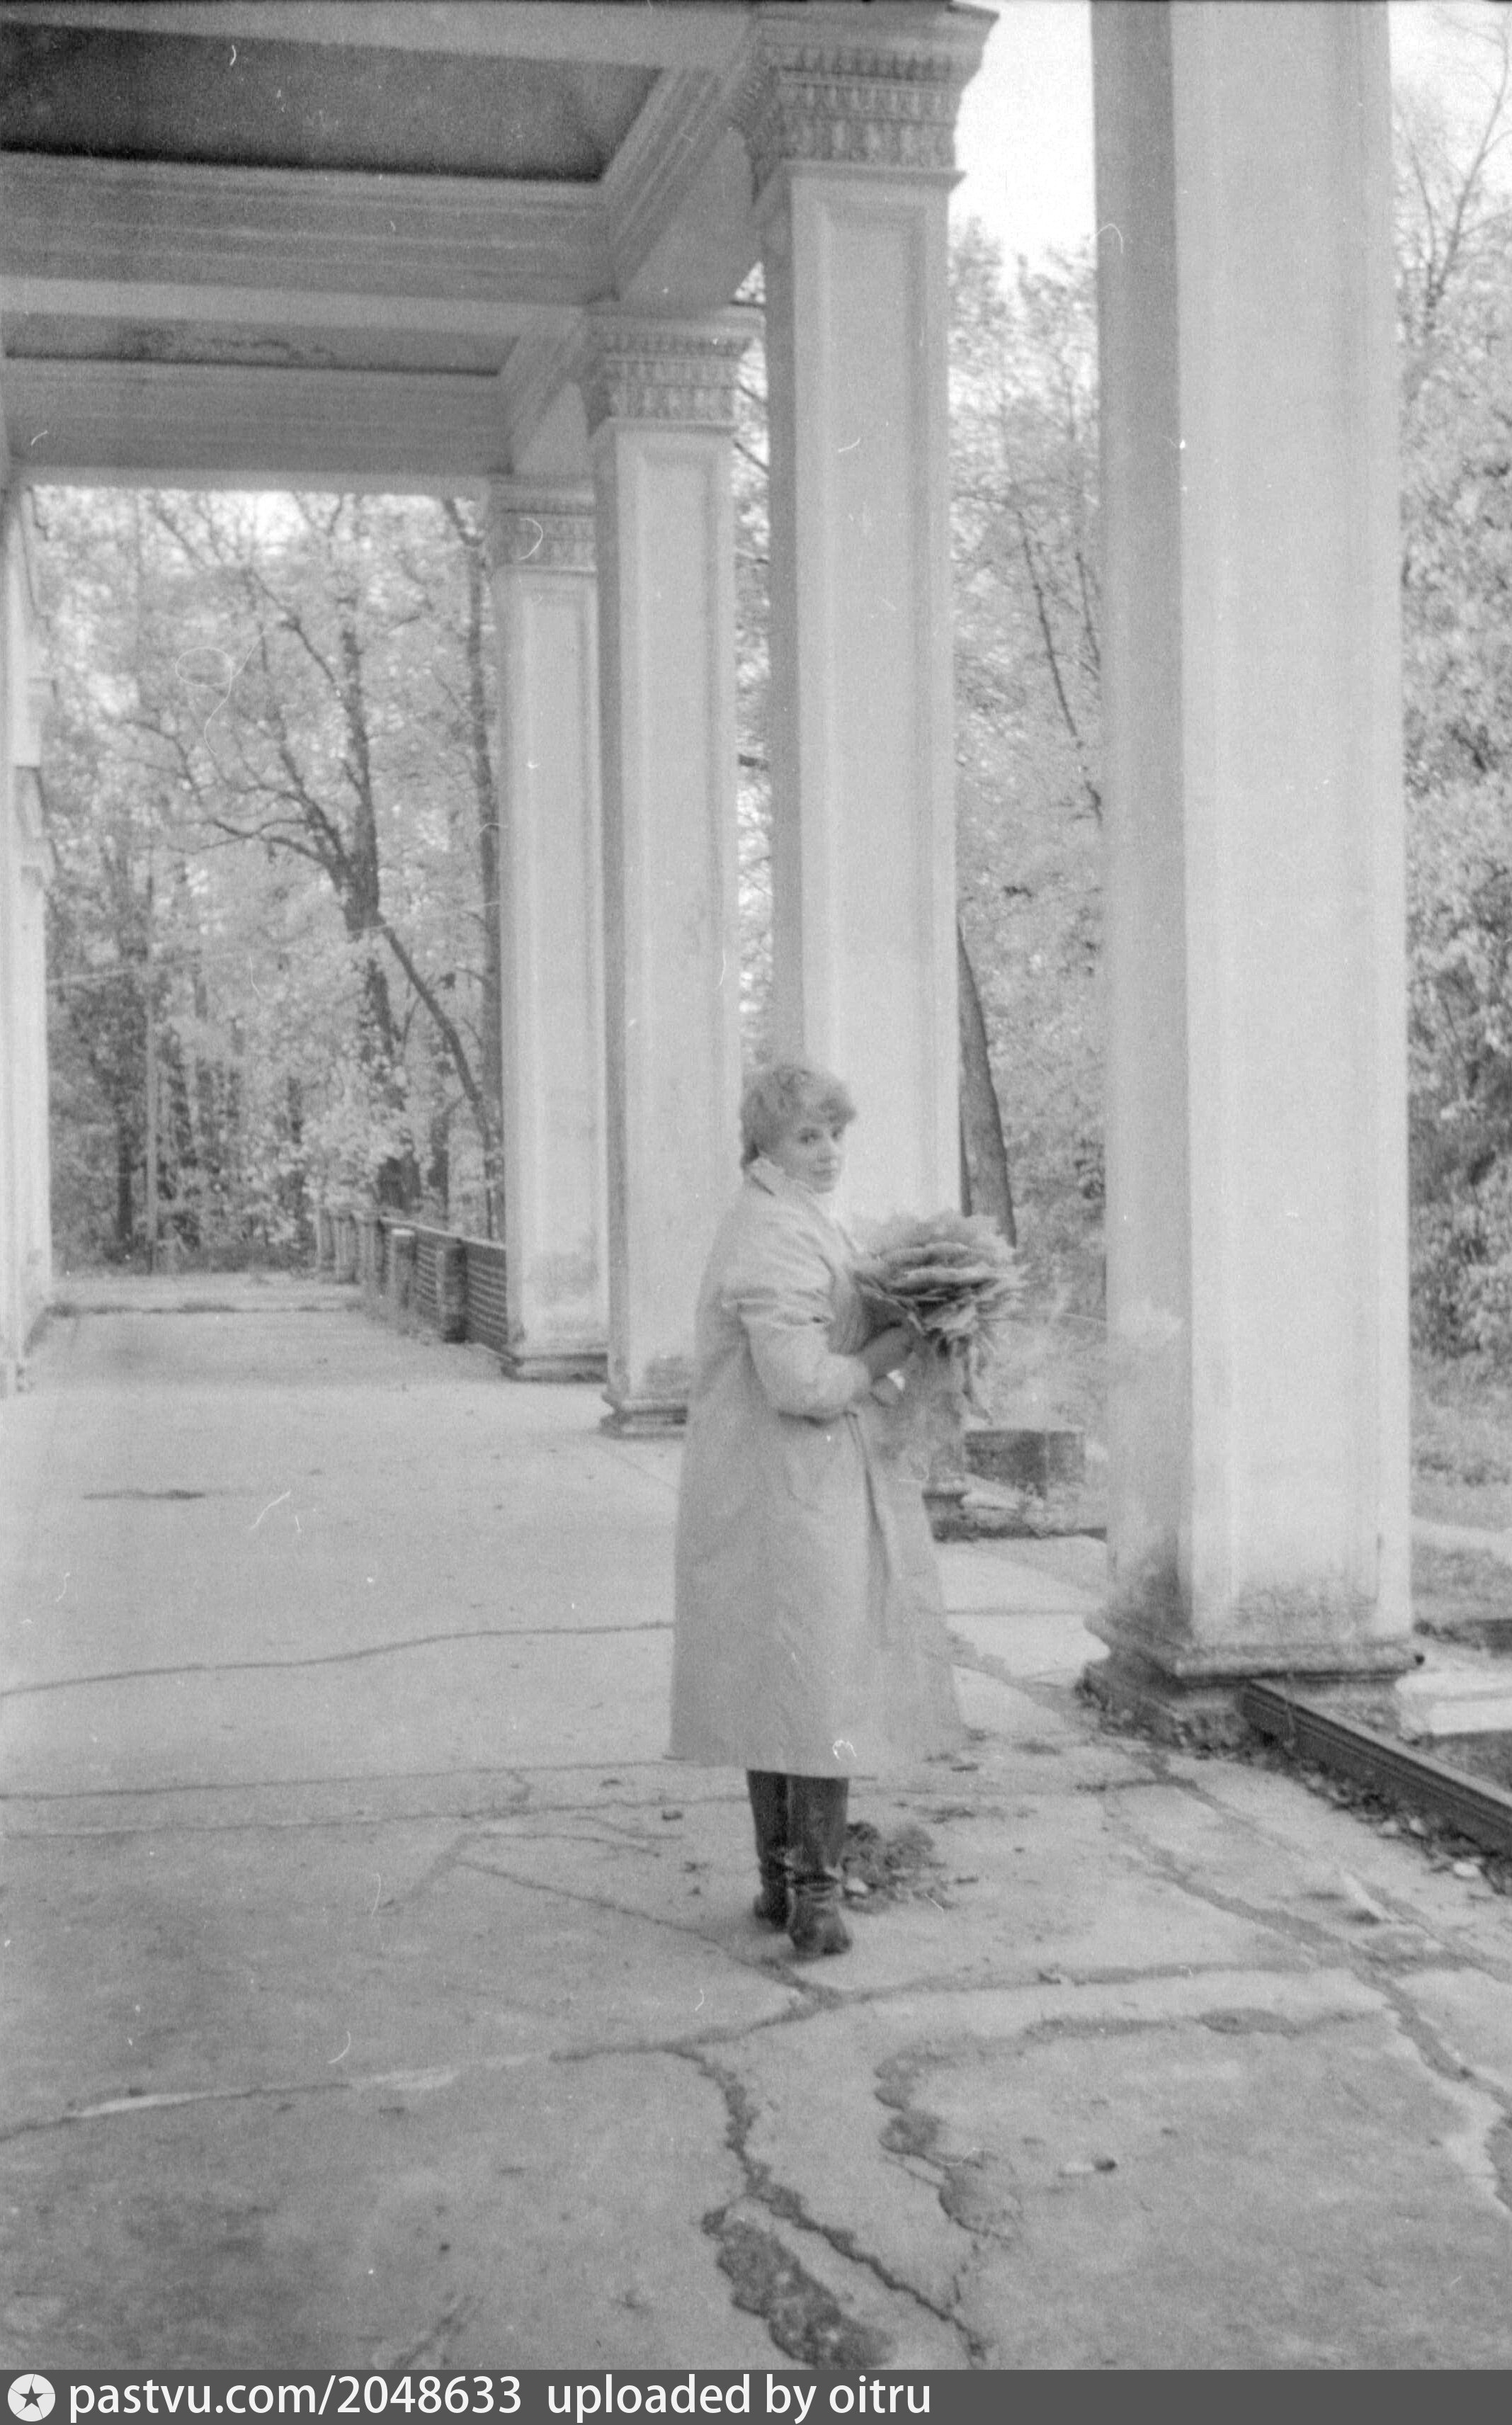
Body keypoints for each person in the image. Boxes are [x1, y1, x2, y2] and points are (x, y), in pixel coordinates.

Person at [669, 1060, 965, 1958]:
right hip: (791, 1488)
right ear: (763, 1144)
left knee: (781, 1684)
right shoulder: (773, 1234)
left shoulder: (788, 1216)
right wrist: (889, 1350)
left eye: (835, 1132)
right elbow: (799, 1383)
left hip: (783, 1485)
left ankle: (781, 1883)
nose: (829, 1150)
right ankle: (817, 1903)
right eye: (807, 1135)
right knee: (817, 1689)